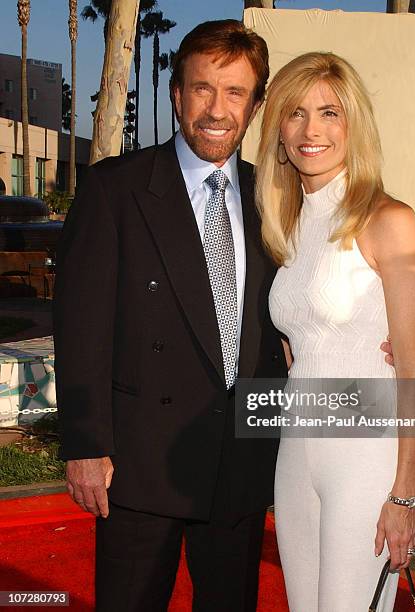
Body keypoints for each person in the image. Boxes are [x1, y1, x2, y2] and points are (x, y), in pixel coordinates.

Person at [53, 19, 289, 612]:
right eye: (202, 88)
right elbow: (81, 326)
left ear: (255, 105)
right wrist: (84, 443)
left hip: (239, 460)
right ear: (177, 94)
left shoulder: (275, 199)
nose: (217, 109)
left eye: (235, 92)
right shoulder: (117, 188)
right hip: (138, 461)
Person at [256, 52, 415, 611]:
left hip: (364, 452)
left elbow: (412, 369)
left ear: (353, 124)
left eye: (330, 112)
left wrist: (404, 495)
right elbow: (299, 342)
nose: (312, 130)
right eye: (296, 113)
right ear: (278, 132)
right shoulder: (285, 226)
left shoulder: (389, 220)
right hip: (297, 445)